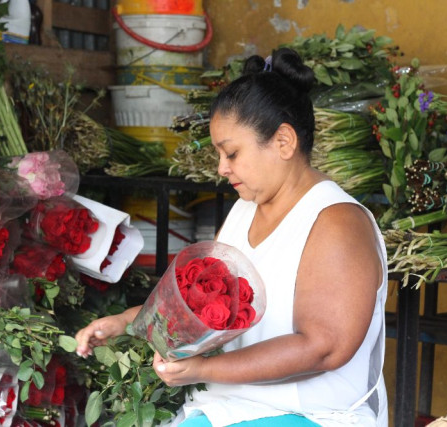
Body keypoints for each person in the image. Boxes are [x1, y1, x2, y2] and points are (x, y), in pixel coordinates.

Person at [75, 47, 388, 427]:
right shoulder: (244, 210)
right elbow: (195, 304)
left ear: (284, 142)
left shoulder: (336, 221)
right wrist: (128, 324)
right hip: (225, 410)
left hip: (312, 416)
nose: (222, 168)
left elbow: (322, 349)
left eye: (232, 153)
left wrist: (204, 369)